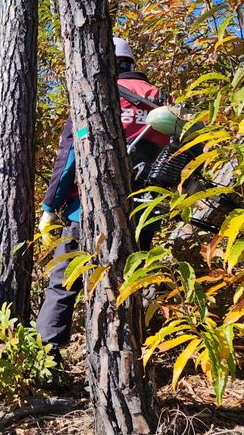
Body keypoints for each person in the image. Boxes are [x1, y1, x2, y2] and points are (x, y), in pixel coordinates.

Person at [35, 37, 171, 364]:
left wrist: (50, 207)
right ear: (131, 61)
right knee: (129, 284)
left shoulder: (93, 96)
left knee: (64, 282)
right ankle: (130, 358)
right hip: (144, 211)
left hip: (87, 212)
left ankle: (44, 359)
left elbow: (70, 158)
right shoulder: (161, 100)